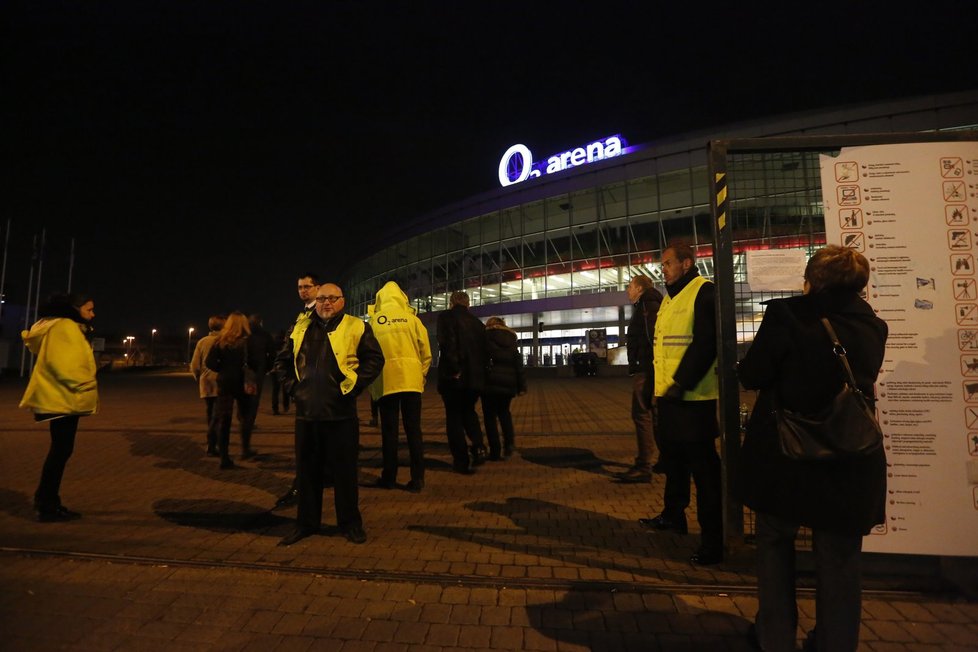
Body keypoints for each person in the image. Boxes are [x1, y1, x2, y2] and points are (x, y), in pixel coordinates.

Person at [737, 245, 887, 652]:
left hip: (788, 452)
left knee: (774, 542)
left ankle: (775, 637)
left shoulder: (787, 315)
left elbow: (754, 373)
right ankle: (836, 644)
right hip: (850, 453)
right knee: (839, 557)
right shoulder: (874, 324)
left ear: (813, 279)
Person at [274, 282, 384, 546]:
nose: (327, 303)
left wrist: (354, 386)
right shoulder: (300, 327)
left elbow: (375, 359)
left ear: (342, 301)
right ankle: (306, 523)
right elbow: (282, 362)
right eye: (322, 298)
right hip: (307, 414)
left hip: (341, 414)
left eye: (333, 298)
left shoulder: (357, 326)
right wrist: (294, 390)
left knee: (345, 473)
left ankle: (350, 524)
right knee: (307, 472)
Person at [640, 243, 723, 566]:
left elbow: (706, 344)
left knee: (704, 474)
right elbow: (661, 350)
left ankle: (713, 542)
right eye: (662, 264)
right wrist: (656, 389)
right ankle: (673, 516)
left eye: (668, 263)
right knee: (673, 466)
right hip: (669, 398)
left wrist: (681, 384)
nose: (663, 269)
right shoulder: (671, 298)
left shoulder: (704, 292)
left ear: (686, 263)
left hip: (694, 401)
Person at [19, 293, 98, 522]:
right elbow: (64, 363)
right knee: (60, 451)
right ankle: (46, 503)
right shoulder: (65, 327)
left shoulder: (58, 326)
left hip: (58, 398)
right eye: (88, 309)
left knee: (60, 451)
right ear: (74, 309)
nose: (92, 314)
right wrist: (85, 383)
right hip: (64, 398)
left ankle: (48, 500)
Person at [367, 281, 432, 492]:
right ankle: (418, 478)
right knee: (414, 430)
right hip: (411, 382)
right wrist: (420, 375)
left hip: (387, 382)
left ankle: (389, 476)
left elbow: (368, 354)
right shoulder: (413, 320)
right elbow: (426, 353)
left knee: (389, 432)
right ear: (402, 298)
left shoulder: (375, 322)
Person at [274, 272, 321, 509]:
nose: (303, 291)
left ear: (318, 288)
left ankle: (302, 487)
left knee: (311, 444)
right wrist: (291, 385)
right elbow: (287, 352)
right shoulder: (301, 317)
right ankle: (303, 485)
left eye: (307, 286)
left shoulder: (321, 315)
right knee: (308, 444)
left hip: (317, 390)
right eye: (300, 287)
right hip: (304, 390)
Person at [616, 274, 663, 483]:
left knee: (641, 414)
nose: (627, 291)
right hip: (651, 368)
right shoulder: (650, 304)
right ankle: (664, 460)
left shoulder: (647, 306)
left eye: (629, 287)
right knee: (654, 415)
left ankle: (644, 466)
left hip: (648, 369)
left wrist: (648, 367)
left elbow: (651, 337)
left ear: (639, 288)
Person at [436, 290, 489, 474]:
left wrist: (453, 369)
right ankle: (479, 445)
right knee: (469, 412)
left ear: (451, 302)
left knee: (454, 418)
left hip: (454, 378)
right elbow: (484, 352)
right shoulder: (477, 323)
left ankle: (461, 459)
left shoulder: (446, 318)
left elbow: (447, 344)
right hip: (474, 380)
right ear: (468, 304)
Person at [204, 311, 264, 467]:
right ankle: (245, 448)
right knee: (245, 417)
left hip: (225, 382)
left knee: (224, 419)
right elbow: (256, 362)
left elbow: (209, 362)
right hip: (243, 383)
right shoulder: (249, 341)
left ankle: (224, 457)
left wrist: (223, 369)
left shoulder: (220, 341)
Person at [481, 316, 526, 460]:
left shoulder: (485, 336)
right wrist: (521, 385)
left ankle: (495, 450)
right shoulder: (511, 339)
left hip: (489, 382)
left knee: (489, 417)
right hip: (508, 382)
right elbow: (518, 363)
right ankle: (509, 444)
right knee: (504, 413)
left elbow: (480, 359)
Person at [189, 314, 226, 456]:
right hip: (220, 382)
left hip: (205, 383)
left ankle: (212, 442)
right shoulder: (223, 341)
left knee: (210, 413)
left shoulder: (202, 342)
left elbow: (194, 365)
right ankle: (212, 444)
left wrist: (198, 378)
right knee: (219, 415)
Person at [244, 313, 276, 429]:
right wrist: (267, 367)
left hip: (244, 370)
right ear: (260, 322)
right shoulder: (265, 336)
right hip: (258, 370)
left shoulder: (243, 334)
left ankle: (243, 419)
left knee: (244, 397)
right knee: (254, 397)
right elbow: (272, 354)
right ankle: (250, 422)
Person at [270, 329, 291, 415]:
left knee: (275, 389)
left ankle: (275, 408)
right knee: (285, 389)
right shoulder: (286, 345)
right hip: (284, 369)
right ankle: (286, 406)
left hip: (274, 370)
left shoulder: (272, 345)